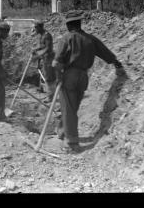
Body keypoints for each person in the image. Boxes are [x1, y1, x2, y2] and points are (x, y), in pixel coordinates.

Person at [52, 10, 124, 153]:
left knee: (68, 108)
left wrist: (58, 77)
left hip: (69, 76)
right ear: (79, 24)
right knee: (72, 107)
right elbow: (106, 53)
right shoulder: (90, 39)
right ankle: (62, 131)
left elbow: (56, 63)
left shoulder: (67, 38)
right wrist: (118, 64)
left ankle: (71, 143)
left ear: (69, 25)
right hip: (83, 77)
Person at [31, 20, 56, 102]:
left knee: (49, 78)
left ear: (40, 27)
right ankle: (47, 93)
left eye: (36, 27)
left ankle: (51, 97)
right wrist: (35, 49)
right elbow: (40, 45)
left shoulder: (47, 35)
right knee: (44, 76)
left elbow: (48, 48)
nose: (35, 29)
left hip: (49, 59)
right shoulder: (40, 35)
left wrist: (38, 54)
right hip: (43, 59)